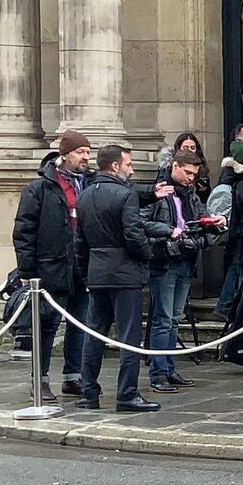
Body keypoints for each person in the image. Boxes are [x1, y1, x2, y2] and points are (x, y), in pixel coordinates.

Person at [73, 145, 163, 413]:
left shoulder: (85, 196)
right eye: (128, 165)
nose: (131, 169)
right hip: (124, 273)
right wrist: (146, 255)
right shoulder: (125, 196)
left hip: (97, 272)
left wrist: (85, 271)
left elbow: (80, 242)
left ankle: (89, 391)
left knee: (94, 333)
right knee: (128, 337)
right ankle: (126, 393)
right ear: (115, 166)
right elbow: (134, 235)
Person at [12, 130, 91, 403]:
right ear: (65, 154)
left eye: (88, 153)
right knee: (46, 326)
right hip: (51, 266)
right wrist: (27, 271)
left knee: (79, 323)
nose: (85, 158)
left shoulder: (89, 184)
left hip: (81, 266)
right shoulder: (40, 188)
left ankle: (73, 376)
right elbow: (24, 230)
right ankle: (40, 379)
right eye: (81, 152)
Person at [144, 149, 209, 394]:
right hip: (164, 260)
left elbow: (200, 215)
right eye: (187, 172)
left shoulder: (190, 193)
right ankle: (159, 372)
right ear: (175, 166)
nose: (191, 178)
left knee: (174, 319)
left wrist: (213, 222)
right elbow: (141, 222)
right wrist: (167, 231)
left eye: (194, 173)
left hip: (186, 258)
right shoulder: (158, 190)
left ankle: (168, 368)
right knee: (163, 319)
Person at [210, 141, 243, 321]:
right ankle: (228, 309)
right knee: (238, 272)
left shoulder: (241, 178)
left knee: (235, 269)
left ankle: (224, 307)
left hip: (239, 233)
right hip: (241, 234)